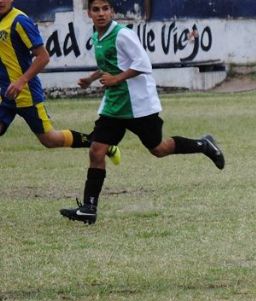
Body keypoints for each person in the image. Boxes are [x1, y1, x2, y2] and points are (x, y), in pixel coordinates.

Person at [59, 0, 224, 225]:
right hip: (114, 106)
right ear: (89, 13)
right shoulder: (97, 36)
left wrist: (116, 78)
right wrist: (91, 78)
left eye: (105, 9)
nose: (101, 14)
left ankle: (204, 145)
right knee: (97, 150)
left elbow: (143, 63)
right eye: (96, 9)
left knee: (158, 149)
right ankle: (89, 208)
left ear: (112, 12)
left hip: (139, 104)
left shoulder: (122, 34)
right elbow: (111, 63)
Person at [0, 0, 120, 164]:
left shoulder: (20, 21)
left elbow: (43, 57)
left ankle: (99, 142)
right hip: (5, 93)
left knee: (49, 140)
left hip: (26, 93)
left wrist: (22, 80)